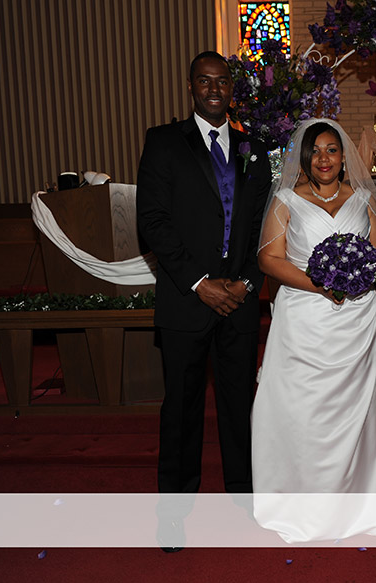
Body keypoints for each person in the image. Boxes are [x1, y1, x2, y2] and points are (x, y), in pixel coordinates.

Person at [136, 51, 272, 549]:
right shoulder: (163, 142)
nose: (214, 89)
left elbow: (262, 225)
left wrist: (246, 283)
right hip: (186, 300)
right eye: (204, 80)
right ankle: (173, 513)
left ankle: (245, 497)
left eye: (222, 81)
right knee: (182, 410)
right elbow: (152, 221)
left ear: (231, 88)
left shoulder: (254, 148)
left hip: (238, 302)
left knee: (240, 406)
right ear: (191, 86)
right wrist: (199, 282)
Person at [251, 119, 376, 543]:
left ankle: (357, 497)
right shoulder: (286, 200)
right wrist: (320, 284)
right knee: (304, 412)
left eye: (332, 150)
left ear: (343, 156)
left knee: (357, 414)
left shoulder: (364, 199)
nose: (324, 158)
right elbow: (269, 260)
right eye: (315, 151)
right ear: (304, 158)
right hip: (304, 322)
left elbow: (374, 260)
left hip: (360, 321)